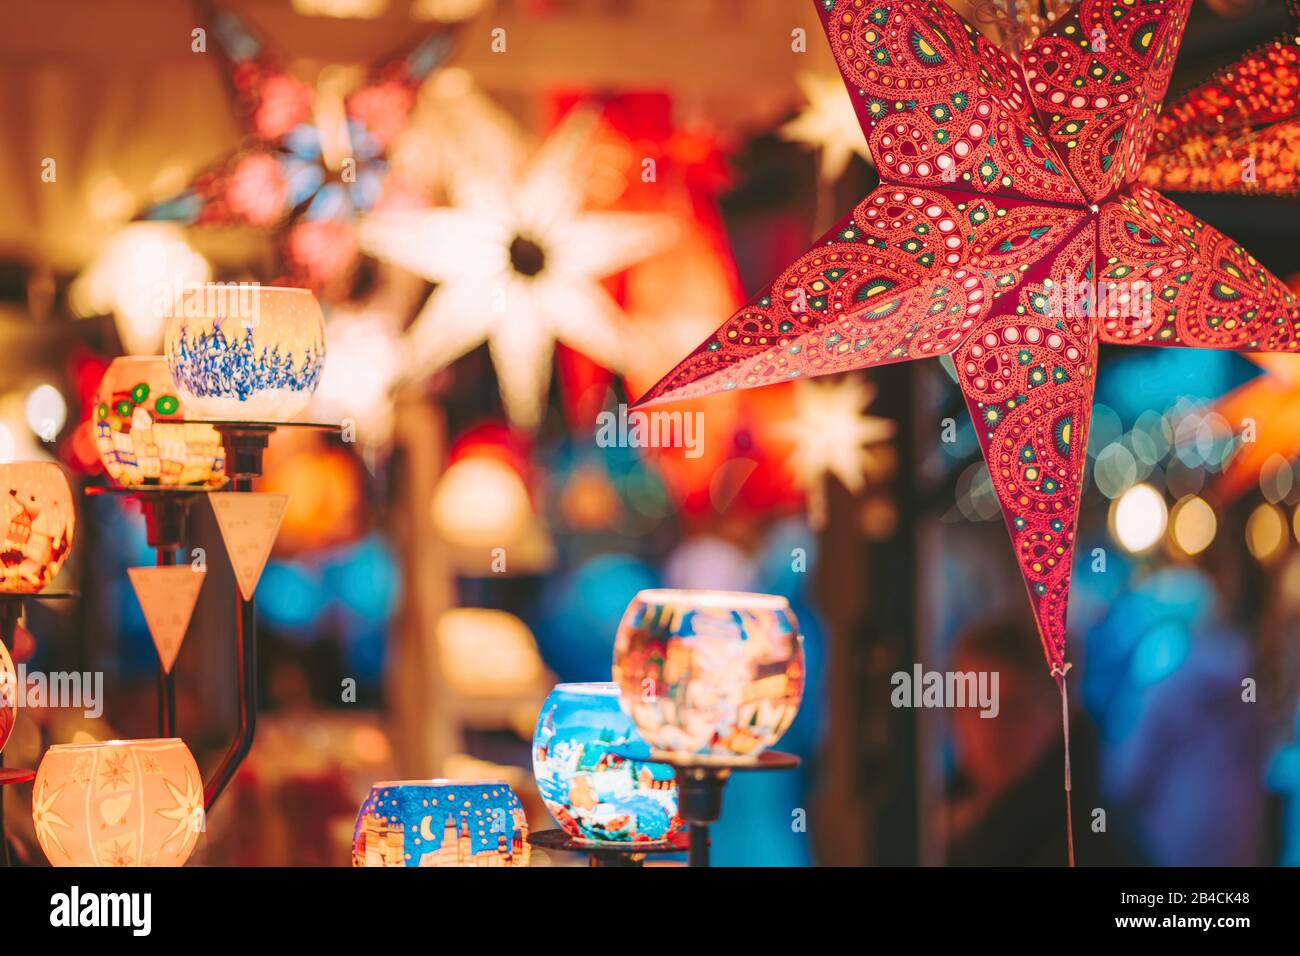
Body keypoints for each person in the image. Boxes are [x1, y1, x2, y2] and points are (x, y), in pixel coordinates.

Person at [944, 617, 1139, 866]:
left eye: (1012, 709)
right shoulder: (941, 826)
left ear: (1059, 714)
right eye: (972, 705)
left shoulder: (1090, 847)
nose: (988, 731)